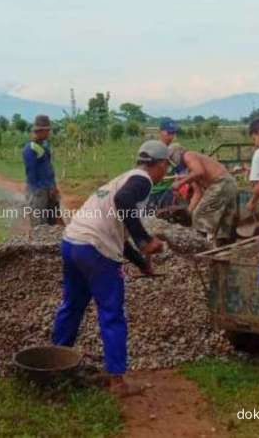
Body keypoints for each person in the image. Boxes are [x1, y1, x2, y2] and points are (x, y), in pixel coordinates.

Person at [52, 140, 168, 397]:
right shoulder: (142, 181)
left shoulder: (123, 178)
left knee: (72, 305)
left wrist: (141, 264)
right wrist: (146, 241)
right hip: (95, 250)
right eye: (165, 166)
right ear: (159, 164)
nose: (165, 172)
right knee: (111, 313)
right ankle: (118, 382)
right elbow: (123, 201)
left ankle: (56, 366)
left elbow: (118, 233)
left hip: (73, 242)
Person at [168, 144, 237, 245]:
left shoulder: (188, 155)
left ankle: (201, 244)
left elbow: (199, 172)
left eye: (171, 158)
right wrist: (189, 211)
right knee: (224, 218)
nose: (172, 161)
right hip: (229, 184)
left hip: (221, 182)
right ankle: (223, 244)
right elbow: (198, 193)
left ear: (176, 153)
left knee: (200, 216)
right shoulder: (190, 170)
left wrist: (180, 182)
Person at [22, 115, 61, 226]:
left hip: (48, 189)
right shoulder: (30, 149)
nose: (49, 133)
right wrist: (44, 188)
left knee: (52, 223)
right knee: (39, 225)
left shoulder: (44, 145)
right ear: (40, 131)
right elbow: (32, 174)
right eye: (47, 131)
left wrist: (53, 186)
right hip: (37, 192)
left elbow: (48, 168)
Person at [148, 118, 181, 209]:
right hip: (152, 192)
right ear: (160, 132)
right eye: (169, 133)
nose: (171, 136)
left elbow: (179, 170)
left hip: (168, 192)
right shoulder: (152, 150)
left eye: (173, 133)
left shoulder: (175, 151)